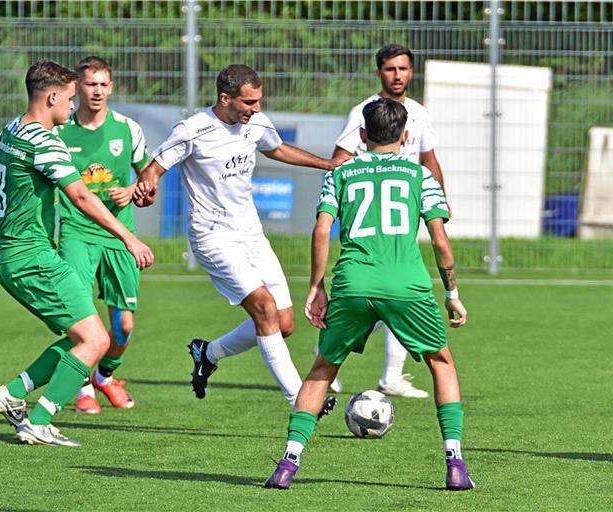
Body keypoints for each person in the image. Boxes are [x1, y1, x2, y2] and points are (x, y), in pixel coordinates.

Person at [265, 98, 474, 491]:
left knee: (323, 369)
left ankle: (288, 463)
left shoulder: (341, 173)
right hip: (407, 285)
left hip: (353, 283)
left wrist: (316, 285)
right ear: (406, 136)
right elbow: (441, 241)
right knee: (441, 362)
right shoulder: (420, 175)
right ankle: (455, 463)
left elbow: (322, 230)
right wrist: (452, 292)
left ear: (362, 135)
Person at [133, 64, 349, 409]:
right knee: (264, 308)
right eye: (249, 102)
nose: (257, 108)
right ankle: (300, 401)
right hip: (212, 236)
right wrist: (147, 185)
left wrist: (325, 164)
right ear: (225, 98)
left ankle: (208, 352)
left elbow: (275, 148)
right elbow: (155, 168)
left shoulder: (256, 123)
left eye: (259, 100)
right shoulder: (193, 130)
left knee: (285, 322)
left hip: (251, 233)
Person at [0, 60, 154, 446]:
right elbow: (80, 195)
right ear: (53, 96)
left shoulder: (13, 129)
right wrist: (130, 237)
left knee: (85, 334)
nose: (74, 106)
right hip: (31, 257)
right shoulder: (45, 140)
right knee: (96, 341)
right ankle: (39, 420)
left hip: (12, 252)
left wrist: (7, 215)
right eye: (71, 98)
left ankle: (12, 392)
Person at [329, 43, 447, 399]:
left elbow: (429, 159)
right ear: (379, 72)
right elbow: (339, 159)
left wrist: (440, 197)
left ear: (412, 72)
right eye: (391, 69)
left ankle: (391, 376)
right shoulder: (364, 112)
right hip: (372, 217)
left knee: (395, 290)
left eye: (404, 69)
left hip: (404, 216)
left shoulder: (418, 113)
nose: (398, 75)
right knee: (375, 288)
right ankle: (327, 361)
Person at [55, 57, 149, 414]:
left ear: (111, 87)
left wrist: (135, 188)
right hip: (77, 232)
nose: (97, 91)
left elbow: (149, 178)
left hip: (120, 235)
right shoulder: (60, 131)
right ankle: (82, 387)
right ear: (77, 87)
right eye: (90, 84)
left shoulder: (128, 129)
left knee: (123, 325)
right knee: (79, 316)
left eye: (103, 84)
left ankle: (105, 376)